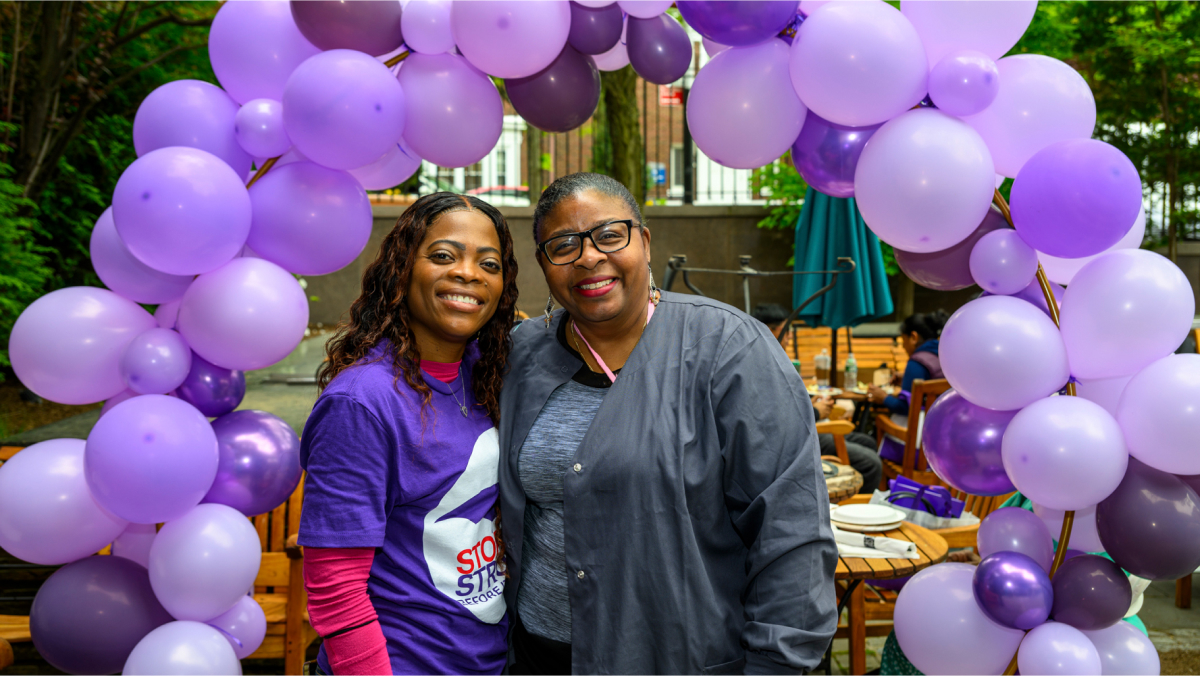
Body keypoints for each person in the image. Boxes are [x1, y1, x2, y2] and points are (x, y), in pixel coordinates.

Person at [498, 172, 837, 675]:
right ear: (544, 266)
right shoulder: (521, 353)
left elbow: (791, 532)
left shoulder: (729, 348)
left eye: (610, 235)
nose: (589, 257)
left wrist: (777, 665)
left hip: (673, 658)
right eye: (562, 245)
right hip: (534, 657)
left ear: (646, 241)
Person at [297, 193, 519, 675]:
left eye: (489, 263)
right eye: (443, 256)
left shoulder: (490, 374)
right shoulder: (361, 402)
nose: (468, 273)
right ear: (402, 269)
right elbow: (335, 583)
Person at [749, 305, 883, 494]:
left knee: (867, 441)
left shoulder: (765, 360)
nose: (788, 338)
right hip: (794, 440)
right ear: (772, 331)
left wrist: (810, 406)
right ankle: (851, 513)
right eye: (786, 332)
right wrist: (817, 411)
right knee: (871, 463)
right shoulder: (762, 365)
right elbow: (777, 419)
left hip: (799, 430)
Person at [867, 311, 948, 464]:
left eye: (902, 340)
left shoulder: (916, 362)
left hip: (917, 448)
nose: (903, 347)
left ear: (913, 337)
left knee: (878, 425)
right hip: (943, 444)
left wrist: (883, 397)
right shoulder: (945, 355)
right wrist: (905, 378)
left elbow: (905, 408)